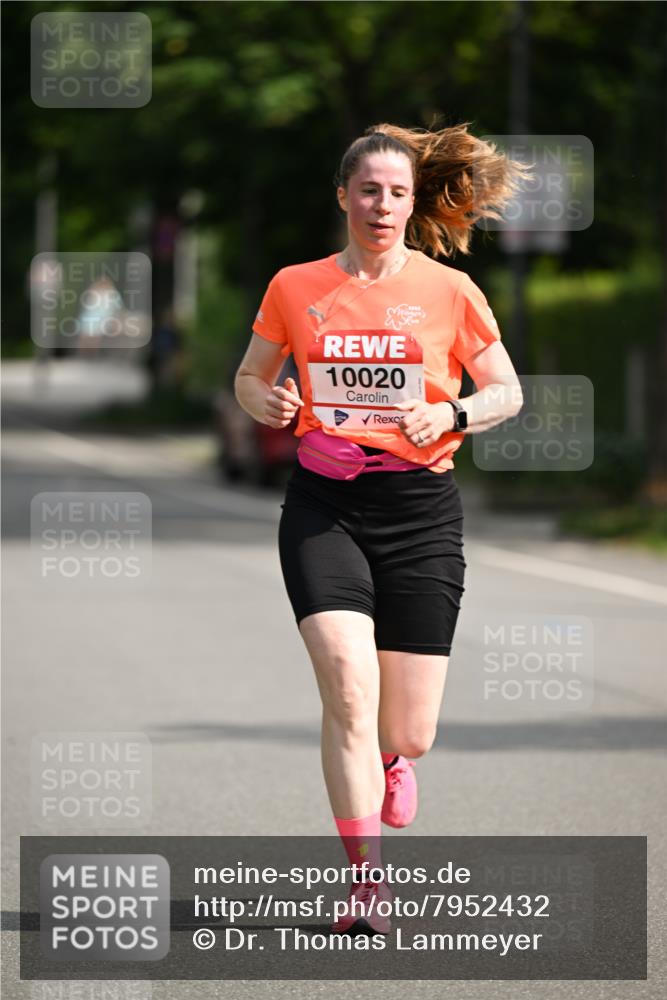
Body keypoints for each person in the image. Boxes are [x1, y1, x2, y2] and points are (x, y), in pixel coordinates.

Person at [234, 123, 526, 935]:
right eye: (368, 190)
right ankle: (365, 883)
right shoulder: (296, 285)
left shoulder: (450, 290)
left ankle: (391, 758)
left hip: (419, 509)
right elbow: (251, 377)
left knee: (406, 729)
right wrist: (270, 401)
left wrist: (451, 410)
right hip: (324, 505)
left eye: (397, 193)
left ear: (411, 201)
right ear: (342, 196)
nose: (382, 205)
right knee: (345, 685)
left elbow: (505, 391)